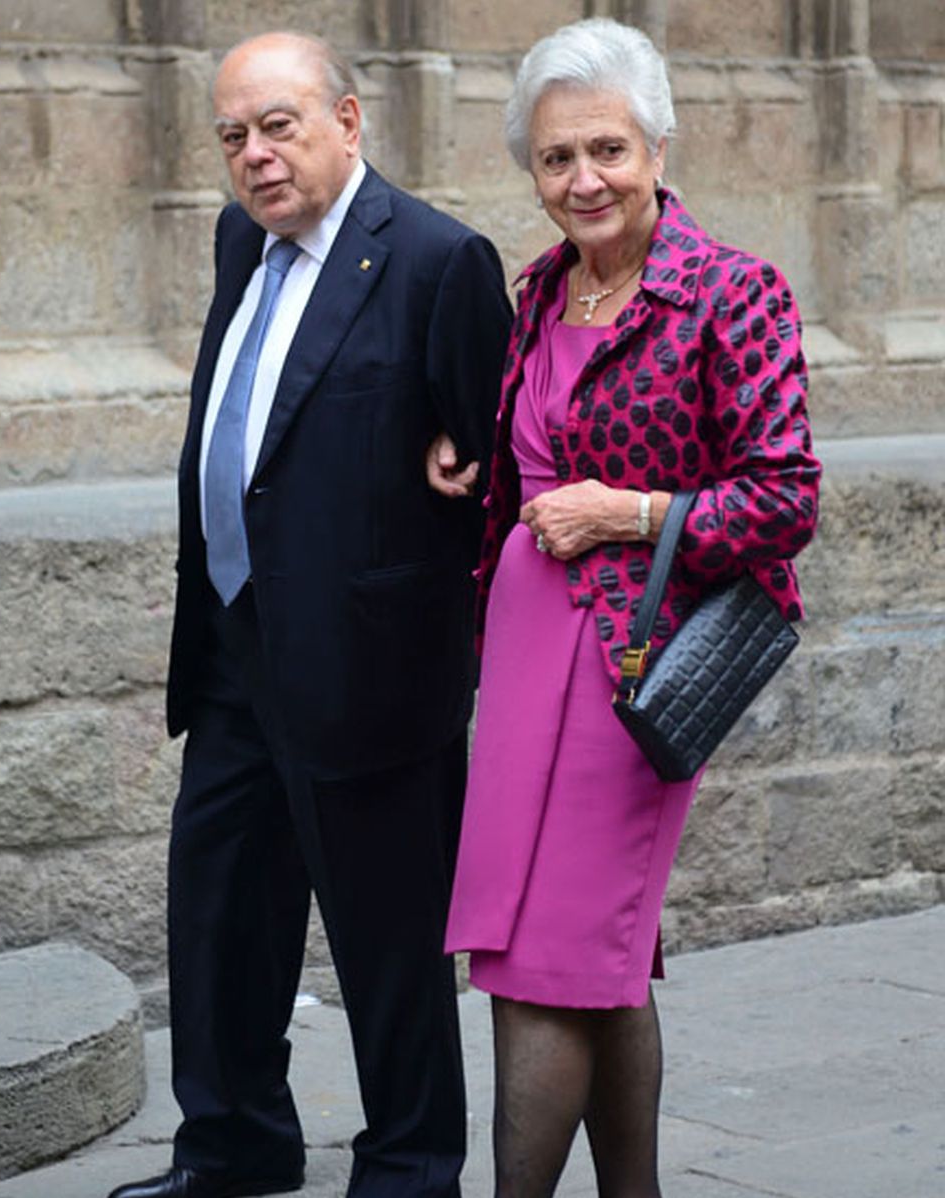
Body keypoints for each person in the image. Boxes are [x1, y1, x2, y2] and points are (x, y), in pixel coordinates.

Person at [108, 31, 512, 1198]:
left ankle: (408, 1168)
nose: (254, 156)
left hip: (373, 671)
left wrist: (470, 463)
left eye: (277, 125)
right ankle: (234, 1145)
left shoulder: (438, 260)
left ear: (347, 119)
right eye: (232, 136)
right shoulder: (246, 239)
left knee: (388, 949)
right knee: (221, 917)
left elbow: (504, 471)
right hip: (235, 650)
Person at [444, 17, 821, 1198]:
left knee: (547, 960)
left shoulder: (730, 293)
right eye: (556, 159)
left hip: (632, 665)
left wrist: (632, 511)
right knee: (570, 944)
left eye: (606, 148)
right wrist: (461, 458)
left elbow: (784, 496)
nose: (582, 180)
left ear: (658, 146)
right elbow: (528, 467)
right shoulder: (541, 290)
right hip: (519, 654)